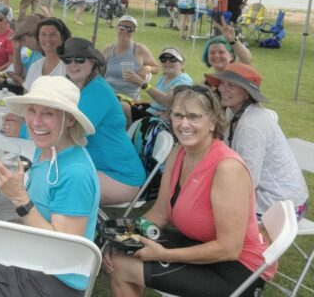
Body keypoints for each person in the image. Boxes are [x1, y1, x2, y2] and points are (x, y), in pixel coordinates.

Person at [0, 76, 100, 297]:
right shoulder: (49, 150)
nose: (35, 122)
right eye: (32, 111)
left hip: (55, 282)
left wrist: (19, 198)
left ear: (69, 119)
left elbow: (66, 251)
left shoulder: (75, 173)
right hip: (39, 258)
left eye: (48, 113)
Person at [106, 86, 276, 297]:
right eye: (178, 115)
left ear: (213, 121)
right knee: (120, 254)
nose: (184, 124)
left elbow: (229, 248)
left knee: (122, 267)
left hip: (239, 270)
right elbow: (159, 213)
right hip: (201, 246)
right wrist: (122, 238)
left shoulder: (227, 169)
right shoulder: (179, 152)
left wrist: (166, 254)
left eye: (194, 117)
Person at [206, 63, 309, 219]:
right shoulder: (231, 111)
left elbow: (248, 180)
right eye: (222, 83)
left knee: (216, 215)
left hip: (283, 203)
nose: (222, 89)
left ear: (247, 93)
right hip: (263, 192)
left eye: (231, 85)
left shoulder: (252, 124)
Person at [62, 38, 146, 204]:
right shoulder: (77, 88)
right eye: (67, 59)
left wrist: (23, 130)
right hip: (98, 167)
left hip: (121, 177)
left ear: (92, 62)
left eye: (79, 59)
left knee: (62, 183)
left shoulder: (97, 91)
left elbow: (70, 134)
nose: (73, 64)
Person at [101, 15, 160, 103]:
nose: (125, 31)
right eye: (122, 27)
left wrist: (147, 68)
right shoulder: (108, 49)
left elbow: (157, 68)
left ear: (134, 31)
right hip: (107, 94)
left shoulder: (139, 49)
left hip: (128, 98)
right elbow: (99, 73)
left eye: (130, 29)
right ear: (116, 28)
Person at [136, 47, 194, 119]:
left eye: (172, 59)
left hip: (159, 120)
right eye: (163, 59)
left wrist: (144, 84)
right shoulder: (164, 77)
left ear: (182, 63)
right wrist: (146, 105)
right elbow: (156, 102)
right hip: (150, 112)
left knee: (122, 108)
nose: (167, 62)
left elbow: (167, 101)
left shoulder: (184, 81)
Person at [0, 14, 43, 92]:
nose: (22, 43)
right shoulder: (30, 50)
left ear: (35, 37)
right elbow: (18, 71)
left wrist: (20, 81)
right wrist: (16, 49)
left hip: (29, 91)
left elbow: (35, 89)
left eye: (23, 40)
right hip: (23, 85)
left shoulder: (42, 57)